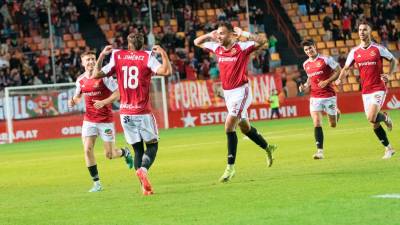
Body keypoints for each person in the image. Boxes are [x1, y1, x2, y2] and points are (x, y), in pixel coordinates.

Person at [194, 22, 277, 183]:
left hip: (241, 91)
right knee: (245, 128)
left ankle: (230, 167)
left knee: (229, 126)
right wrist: (208, 35)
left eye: (222, 33)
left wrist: (244, 33)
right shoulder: (216, 47)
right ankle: (268, 147)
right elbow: (196, 42)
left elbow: (262, 41)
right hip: (228, 94)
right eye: (218, 33)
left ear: (231, 34)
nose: (219, 36)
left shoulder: (242, 47)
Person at [93, 33, 172, 195]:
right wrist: (163, 53)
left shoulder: (118, 55)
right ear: (142, 45)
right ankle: (143, 169)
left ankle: (144, 188)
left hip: (125, 113)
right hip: (142, 112)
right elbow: (166, 71)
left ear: (128, 45)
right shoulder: (147, 56)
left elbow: (96, 74)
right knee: (152, 146)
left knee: (137, 150)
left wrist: (101, 55)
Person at [68, 51, 133, 193]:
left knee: (110, 155)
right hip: (89, 120)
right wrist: (72, 101)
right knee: (87, 150)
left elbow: (118, 93)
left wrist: (104, 102)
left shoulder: (104, 78)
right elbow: (77, 97)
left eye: (92, 59)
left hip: (105, 120)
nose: (91, 62)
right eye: (88, 60)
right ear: (83, 63)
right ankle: (97, 183)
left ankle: (124, 152)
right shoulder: (80, 80)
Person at [336, 22, 398, 159]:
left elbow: (394, 60)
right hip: (365, 91)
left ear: (369, 32)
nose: (362, 32)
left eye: (365, 30)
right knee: (373, 123)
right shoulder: (354, 52)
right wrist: (340, 79)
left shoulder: (378, 49)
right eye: (359, 30)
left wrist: (389, 74)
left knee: (371, 117)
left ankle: (385, 117)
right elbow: (346, 68)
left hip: (378, 87)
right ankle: (389, 149)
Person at [299, 39, 341, 160]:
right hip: (315, 97)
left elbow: (338, 70)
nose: (308, 51)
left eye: (310, 48)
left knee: (333, 124)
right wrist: (305, 86)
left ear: (315, 47)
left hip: (329, 96)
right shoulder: (305, 64)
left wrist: (327, 81)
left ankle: (337, 112)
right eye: (306, 50)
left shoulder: (326, 59)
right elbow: (309, 78)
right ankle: (320, 151)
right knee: (317, 122)